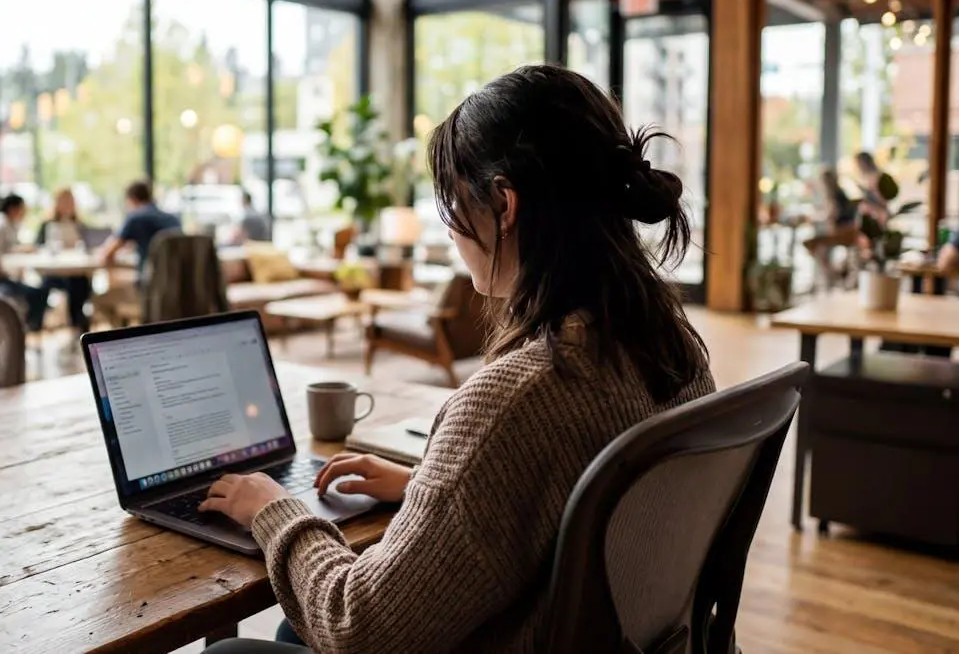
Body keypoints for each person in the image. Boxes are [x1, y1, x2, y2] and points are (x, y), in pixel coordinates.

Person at [200, 64, 715, 653]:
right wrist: (432, 486)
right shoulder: (671, 345)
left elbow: (358, 629)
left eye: (450, 203)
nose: (448, 230)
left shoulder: (521, 396)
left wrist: (275, 510)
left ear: (504, 202)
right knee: (295, 625)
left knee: (231, 651)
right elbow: (562, 492)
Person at [0, 194, 46, 331]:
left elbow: (7, 249)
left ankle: (27, 331)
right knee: (37, 294)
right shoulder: (1, 225)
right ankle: (27, 332)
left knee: (37, 292)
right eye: (23, 210)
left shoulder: (1, 223)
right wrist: (22, 250)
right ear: (14, 209)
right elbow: (0, 256)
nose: (24, 214)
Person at [36, 187, 94, 333]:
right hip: (54, 272)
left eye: (70, 201)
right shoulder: (47, 225)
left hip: (76, 270)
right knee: (61, 285)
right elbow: (38, 247)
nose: (68, 204)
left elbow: (88, 245)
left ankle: (78, 324)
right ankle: (39, 324)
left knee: (80, 283)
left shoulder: (80, 225)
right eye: (64, 201)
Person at [98, 180, 181, 273]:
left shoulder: (136, 218)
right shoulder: (173, 219)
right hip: (176, 278)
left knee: (113, 279)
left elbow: (107, 254)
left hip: (150, 278)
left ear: (132, 199)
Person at [803, 167, 859, 290]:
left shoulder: (832, 195)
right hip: (846, 232)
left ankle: (831, 279)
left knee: (811, 244)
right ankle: (832, 277)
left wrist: (815, 217)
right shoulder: (840, 193)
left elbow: (832, 214)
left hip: (841, 233)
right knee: (820, 250)